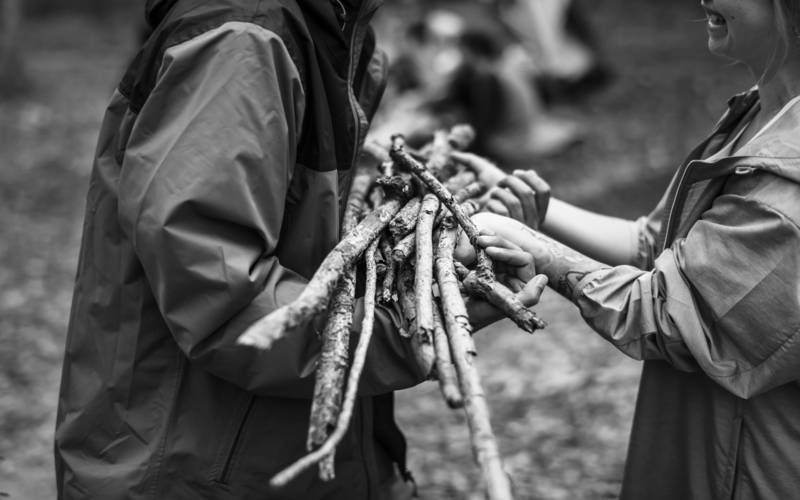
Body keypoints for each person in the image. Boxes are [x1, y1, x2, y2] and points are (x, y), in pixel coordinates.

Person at [53, 1, 544, 499]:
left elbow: (303, 229)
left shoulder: (333, 29)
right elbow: (222, 299)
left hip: (274, 457)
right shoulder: (243, 42)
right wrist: (413, 323)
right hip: (194, 471)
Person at [455, 0, 800, 498]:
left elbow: (670, 314)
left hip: (746, 472)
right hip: (695, 454)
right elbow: (654, 246)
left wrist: (532, 248)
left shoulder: (789, 190)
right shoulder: (759, 115)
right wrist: (534, 212)